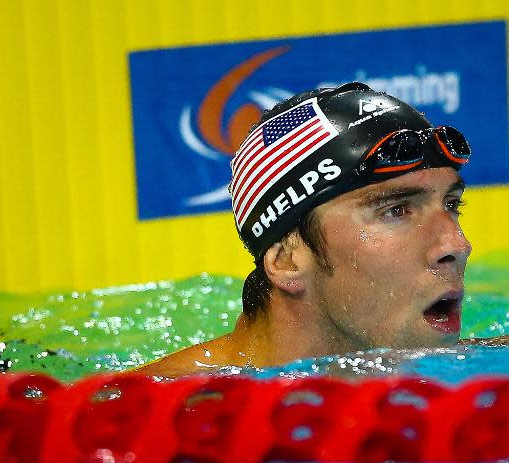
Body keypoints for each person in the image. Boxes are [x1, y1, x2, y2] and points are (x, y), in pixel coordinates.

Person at [136, 82, 471, 377]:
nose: (457, 244)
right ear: (288, 261)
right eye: (396, 210)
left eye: (451, 205)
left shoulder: (494, 371)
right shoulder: (155, 413)